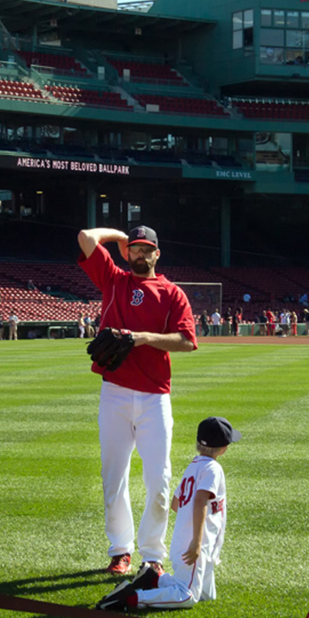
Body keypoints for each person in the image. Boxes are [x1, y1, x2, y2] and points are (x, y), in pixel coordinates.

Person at [77, 223, 198, 575]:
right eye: (135, 248)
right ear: (127, 252)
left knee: (158, 481)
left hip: (154, 397)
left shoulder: (172, 293)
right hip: (114, 393)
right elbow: (86, 237)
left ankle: (152, 555)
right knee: (114, 477)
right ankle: (120, 550)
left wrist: (141, 338)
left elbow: (187, 340)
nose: (140, 254)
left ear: (158, 253)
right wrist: (119, 237)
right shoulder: (113, 280)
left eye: (147, 249)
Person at [94, 416, 238, 612]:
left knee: (206, 594)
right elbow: (199, 502)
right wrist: (196, 541)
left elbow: (175, 503)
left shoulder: (194, 465)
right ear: (224, 448)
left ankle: (154, 578)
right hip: (195, 544)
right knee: (187, 597)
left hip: (182, 541)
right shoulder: (213, 469)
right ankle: (130, 598)